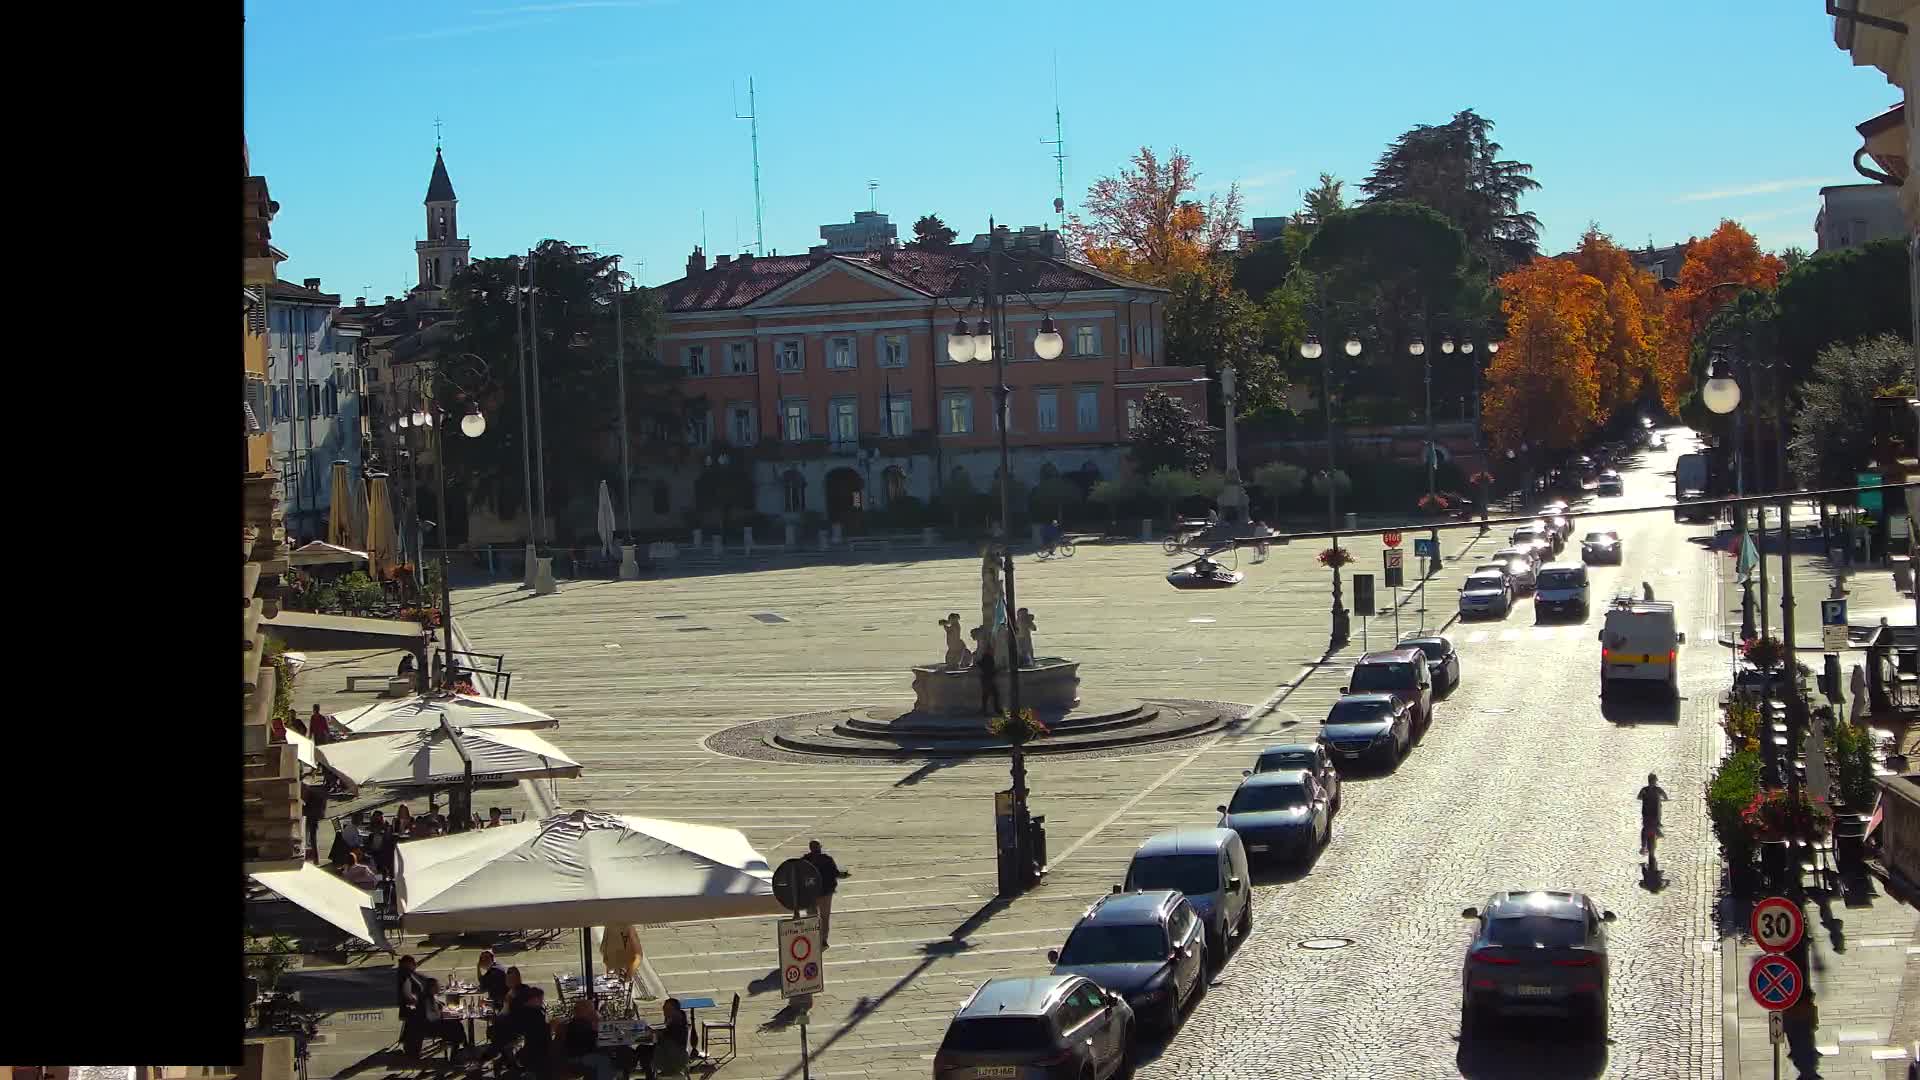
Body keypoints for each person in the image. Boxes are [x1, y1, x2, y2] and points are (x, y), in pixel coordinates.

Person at [802, 839, 851, 948]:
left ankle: (812, 938)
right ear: (820, 847)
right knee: (824, 917)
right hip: (825, 893)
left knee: (811, 917)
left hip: (810, 894)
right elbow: (835, 873)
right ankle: (823, 940)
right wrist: (844, 875)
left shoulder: (805, 860)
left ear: (810, 848)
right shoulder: (827, 859)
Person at [563, 998, 618, 1080]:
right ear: (583, 1011)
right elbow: (594, 1042)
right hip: (578, 1061)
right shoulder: (579, 1026)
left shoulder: (576, 1024)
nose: (593, 1012)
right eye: (591, 1010)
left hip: (578, 1059)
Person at [1637, 773, 1670, 857]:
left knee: (1645, 828)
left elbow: (1639, 797)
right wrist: (1663, 800)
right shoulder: (1658, 790)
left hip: (1646, 813)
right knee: (1657, 820)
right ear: (1655, 781)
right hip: (1655, 813)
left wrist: (1645, 798)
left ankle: (1643, 847)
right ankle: (1657, 831)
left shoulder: (1644, 789)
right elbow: (1665, 797)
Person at [975, 637, 1001, 717]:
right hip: (988, 679)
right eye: (991, 650)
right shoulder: (988, 657)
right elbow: (988, 668)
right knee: (993, 694)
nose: (993, 651)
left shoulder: (987, 657)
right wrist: (996, 671)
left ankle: (986, 710)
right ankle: (995, 710)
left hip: (986, 678)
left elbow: (980, 664)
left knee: (987, 695)